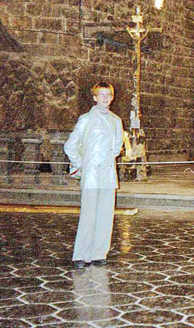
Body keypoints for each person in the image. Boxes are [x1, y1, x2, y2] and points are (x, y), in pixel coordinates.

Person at [64, 81, 124, 269]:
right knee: (88, 215)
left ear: (112, 98)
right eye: (102, 95)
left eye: (108, 95)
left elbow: (117, 146)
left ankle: (99, 253)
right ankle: (81, 255)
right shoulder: (86, 119)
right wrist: (82, 164)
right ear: (95, 97)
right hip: (91, 174)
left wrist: (108, 158)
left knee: (105, 215)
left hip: (108, 174)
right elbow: (70, 145)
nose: (105, 98)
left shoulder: (116, 120)